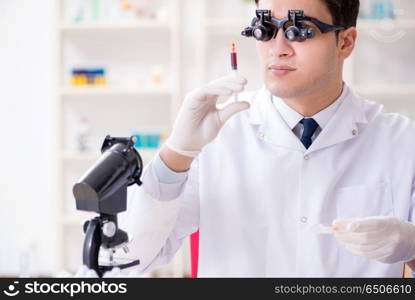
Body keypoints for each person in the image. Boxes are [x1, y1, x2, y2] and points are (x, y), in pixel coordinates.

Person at [122, 0, 415, 277]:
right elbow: (132, 257)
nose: (278, 49)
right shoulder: (216, 136)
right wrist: (175, 156)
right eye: (266, 29)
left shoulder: (401, 141)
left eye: (300, 31)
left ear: (346, 42)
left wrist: (412, 247)